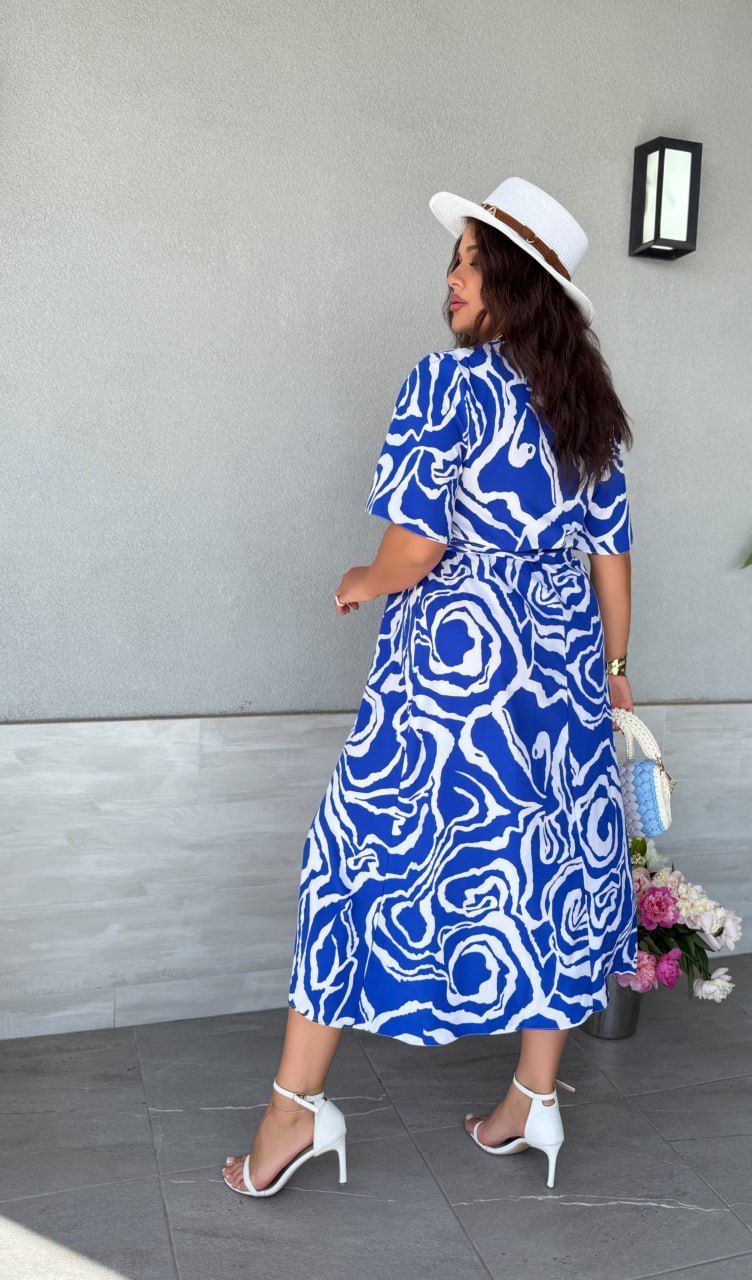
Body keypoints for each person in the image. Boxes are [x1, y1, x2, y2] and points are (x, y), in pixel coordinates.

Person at [222, 176, 638, 1197]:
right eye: (451, 261)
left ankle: (290, 1115)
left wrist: (360, 578)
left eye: (472, 263)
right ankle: (531, 1099)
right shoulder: (587, 410)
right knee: (545, 871)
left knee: (351, 861)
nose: (451, 279)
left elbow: (413, 550)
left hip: (453, 685)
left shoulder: (448, 384)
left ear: (517, 284)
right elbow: (612, 561)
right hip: (562, 680)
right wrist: (615, 672)